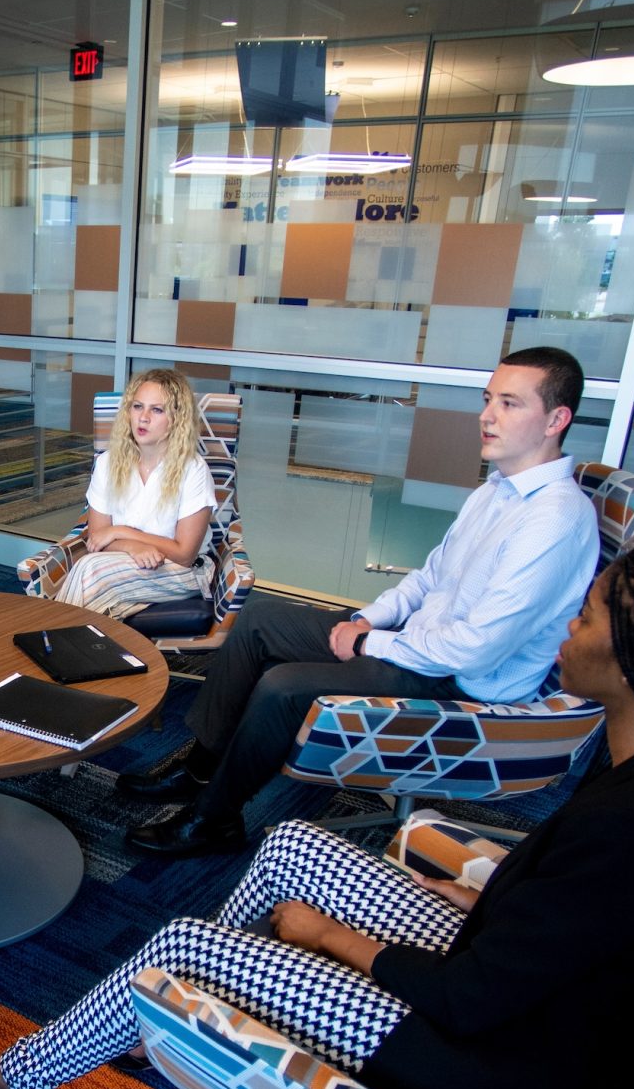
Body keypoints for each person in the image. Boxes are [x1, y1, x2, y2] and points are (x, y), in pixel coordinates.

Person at [0, 534, 634, 1089]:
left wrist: (329, 939)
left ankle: (21, 1075)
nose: (571, 621)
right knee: (289, 845)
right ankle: (185, 1023)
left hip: (493, 1071)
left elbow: (469, 998)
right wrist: (493, 909)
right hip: (516, 998)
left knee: (178, 948)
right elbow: (566, 938)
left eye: (593, 611)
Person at [121, 346, 601, 858]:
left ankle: (214, 820)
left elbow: (475, 651)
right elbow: (429, 577)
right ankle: (202, 766)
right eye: (488, 399)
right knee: (258, 620)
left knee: (282, 687)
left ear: (556, 419)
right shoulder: (496, 493)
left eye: (509, 403)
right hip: (419, 641)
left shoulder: (553, 520)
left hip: (460, 679)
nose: (487, 416)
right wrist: (368, 617)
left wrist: (372, 642)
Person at [56, 368, 218, 619]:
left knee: (89, 571)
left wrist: (122, 533)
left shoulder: (194, 470)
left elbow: (185, 554)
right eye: (137, 406)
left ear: (177, 418)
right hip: (121, 563)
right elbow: (98, 539)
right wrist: (133, 548)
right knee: (98, 597)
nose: (143, 418)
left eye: (157, 409)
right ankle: (78, 649)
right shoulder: (108, 463)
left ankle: (50, 644)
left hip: (180, 573)